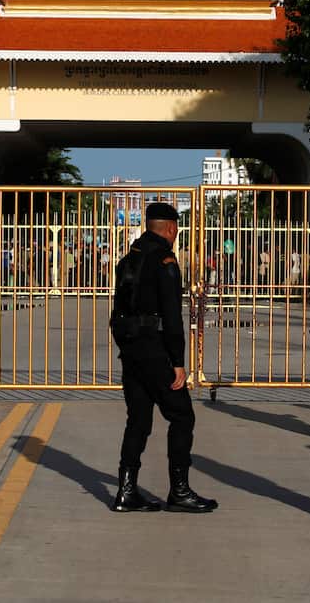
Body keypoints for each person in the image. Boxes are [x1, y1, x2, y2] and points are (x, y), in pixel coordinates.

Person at [109, 202, 216, 514]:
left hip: (131, 349)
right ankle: (179, 490)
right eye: (176, 229)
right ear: (170, 229)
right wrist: (178, 362)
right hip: (155, 350)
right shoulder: (165, 261)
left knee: (139, 420)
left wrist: (128, 345)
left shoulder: (129, 259)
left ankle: (126, 491)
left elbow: (118, 310)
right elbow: (172, 317)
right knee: (182, 416)